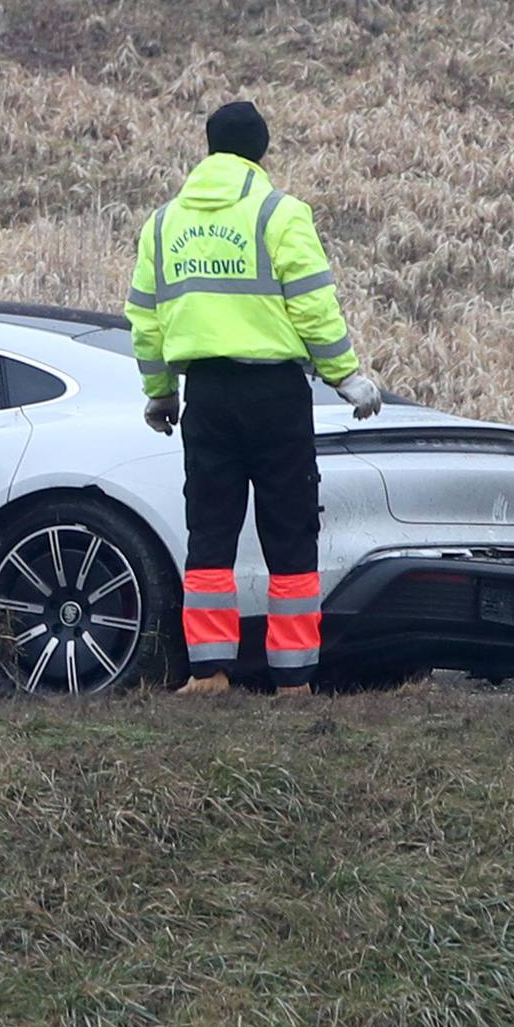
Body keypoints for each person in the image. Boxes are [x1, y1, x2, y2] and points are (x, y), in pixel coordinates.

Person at [124, 102, 383, 696]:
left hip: (206, 395)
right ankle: (292, 677)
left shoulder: (163, 224)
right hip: (275, 395)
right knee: (289, 527)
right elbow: (313, 304)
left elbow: (145, 318)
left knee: (209, 529)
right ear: (262, 152)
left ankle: (209, 672)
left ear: (208, 147)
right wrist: (344, 375)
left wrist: (161, 393)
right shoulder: (280, 214)